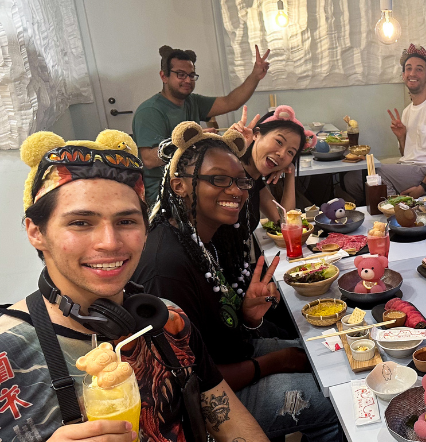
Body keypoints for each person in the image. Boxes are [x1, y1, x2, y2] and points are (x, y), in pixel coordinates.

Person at [1, 129, 268, 441]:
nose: (109, 242)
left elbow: (230, 419)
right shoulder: (9, 350)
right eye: (81, 223)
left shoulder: (168, 320)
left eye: (126, 221)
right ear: (36, 232)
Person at [132, 122, 342, 442]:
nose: (236, 190)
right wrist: (274, 362)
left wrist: (247, 316)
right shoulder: (166, 268)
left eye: (240, 181)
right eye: (219, 179)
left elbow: (217, 329)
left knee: (327, 355)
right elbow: (193, 380)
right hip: (211, 406)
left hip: (235, 358)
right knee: (336, 402)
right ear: (179, 186)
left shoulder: (205, 238)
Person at [133, 44, 272, 207]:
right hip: (163, 195)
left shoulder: (192, 101)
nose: (187, 80)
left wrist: (255, 75)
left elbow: (230, 102)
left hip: (192, 184)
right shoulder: (150, 111)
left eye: (192, 75)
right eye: (181, 74)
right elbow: (149, 159)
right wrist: (192, 143)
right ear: (164, 76)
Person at [346, 43, 426, 200]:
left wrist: (422, 188)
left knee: (375, 174)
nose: (413, 73)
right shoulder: (407, 111)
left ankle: (396, 213)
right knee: (352, 179)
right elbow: (407, 154)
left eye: (419, 69)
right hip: (409, 169)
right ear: (403, 75)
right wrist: (401, 137)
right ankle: (384, 211)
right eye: (408, 68)